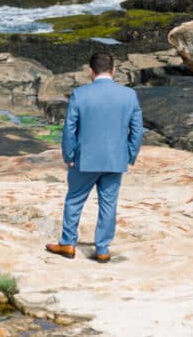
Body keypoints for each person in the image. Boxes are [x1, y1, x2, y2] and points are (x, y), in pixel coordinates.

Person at [46, 51, 143, 262]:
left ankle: (68, 243)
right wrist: (130, 155)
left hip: (85, 159)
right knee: (109, 203)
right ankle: (102, 249)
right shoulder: (128, 95)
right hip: (115, 159)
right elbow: (137, 131)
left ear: (91, 71)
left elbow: (69, 129)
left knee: (74, 199)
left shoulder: (80, 94)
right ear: (113, 70)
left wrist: (68, 155)